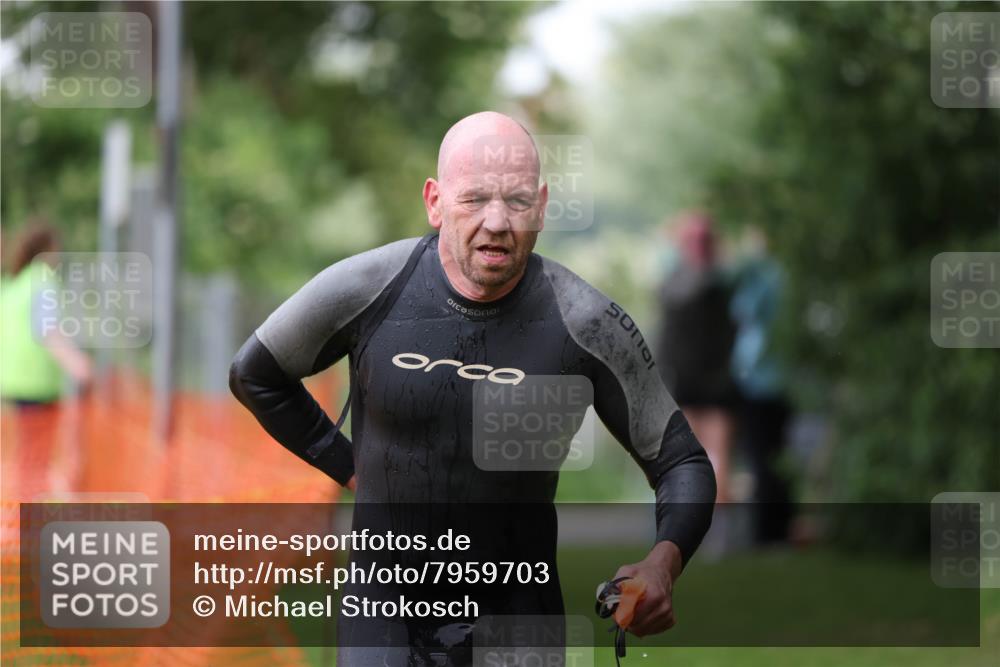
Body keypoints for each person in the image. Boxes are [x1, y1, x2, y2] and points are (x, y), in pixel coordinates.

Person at [230, 112, 716, 665]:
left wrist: (662, 565)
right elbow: (255, 375)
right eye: (474, 199)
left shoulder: (585, 323)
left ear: (542, 206)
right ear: (435, 202)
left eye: (515, 201)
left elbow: (682, 463)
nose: (496, 221)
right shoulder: (369, 287)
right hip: (384, 610)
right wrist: (348, 466)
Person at [653, 212, 737, 503]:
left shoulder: (671, 284)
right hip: (716, 380)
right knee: (716, 454)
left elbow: (664, 339)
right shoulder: (723, 284)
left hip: (686, 380)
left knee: (691, 456)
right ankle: (715, 529)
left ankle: (694, 521)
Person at [730, 226, 792, 543]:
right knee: (777, 456)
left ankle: (766, 533)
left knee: (761, 458)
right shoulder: (786, 276)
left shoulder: (763, 276)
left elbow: (743, 311)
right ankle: (777, 530)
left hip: (759, 382)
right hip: (782, 381)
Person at [0, 221, 92, 406]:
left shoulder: (16, 280)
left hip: (12, 381)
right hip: (37, 384)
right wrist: (78, 364)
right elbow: (48, 330)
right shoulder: (42, 278)